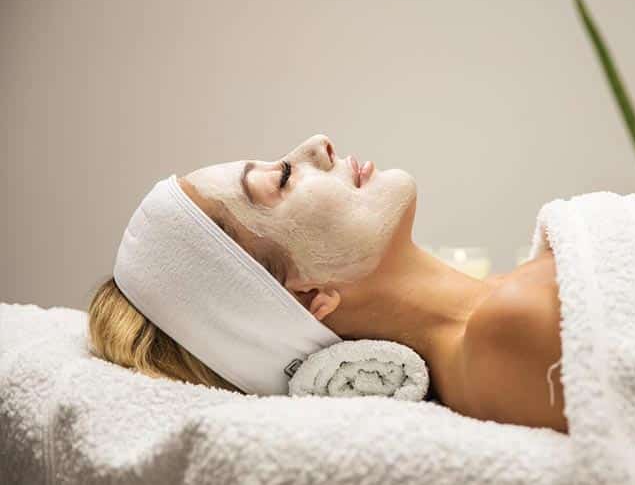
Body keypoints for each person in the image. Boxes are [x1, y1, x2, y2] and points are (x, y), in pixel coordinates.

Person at [88, 134, 568, 433]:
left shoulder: (522, 293)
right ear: (310, 297)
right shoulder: (515, 329)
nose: (318, 144)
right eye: (281, 177)